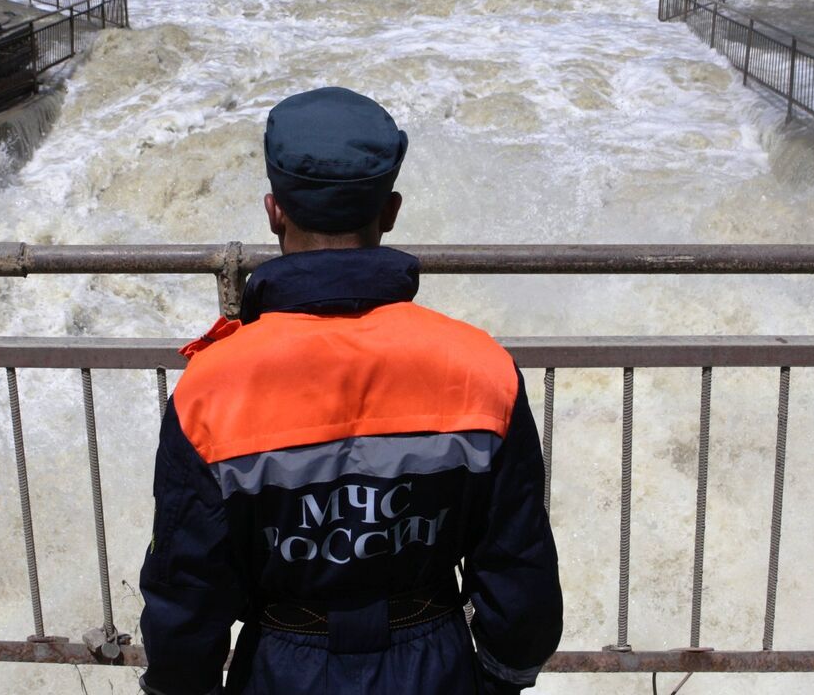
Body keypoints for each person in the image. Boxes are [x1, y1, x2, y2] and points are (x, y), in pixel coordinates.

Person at [140, 87, 562, 695]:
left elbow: (187, 595)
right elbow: (519, 572)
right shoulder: (481, 368)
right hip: (435, 660)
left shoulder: (211, 389)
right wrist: (497, 678)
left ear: (274, 211)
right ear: (389, 212)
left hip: (284, 667)